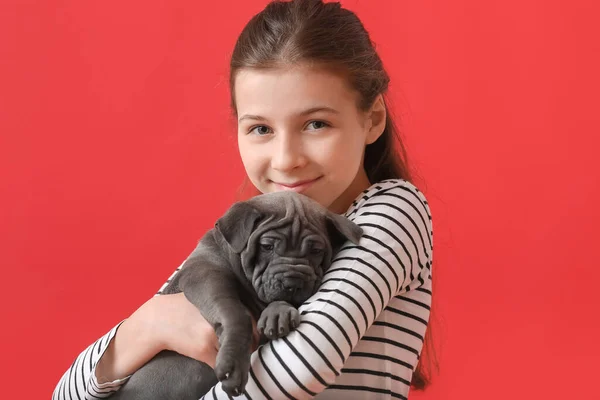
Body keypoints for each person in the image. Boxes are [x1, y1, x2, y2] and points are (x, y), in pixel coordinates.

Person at [52, 0, 436, 398]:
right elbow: (64, 394)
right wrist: (146, 325)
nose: (287, 159)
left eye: (316, 124)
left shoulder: (390, 211)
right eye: (260, 129)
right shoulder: (249, 231)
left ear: (372, 119)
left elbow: (298, 371)